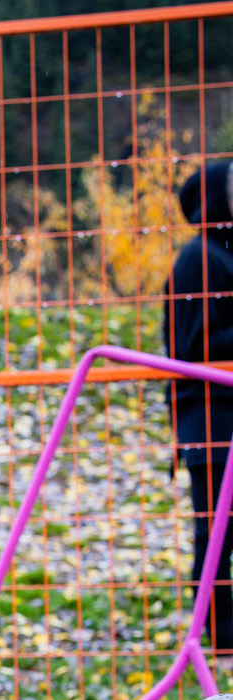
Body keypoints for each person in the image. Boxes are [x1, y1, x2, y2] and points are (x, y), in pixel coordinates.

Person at [164, 162, 233, 649]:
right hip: (209, 416)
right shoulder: (200, 259)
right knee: (216, 533)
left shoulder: (222, 256)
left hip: (222, 412)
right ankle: (219, 637)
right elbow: (193, 344)